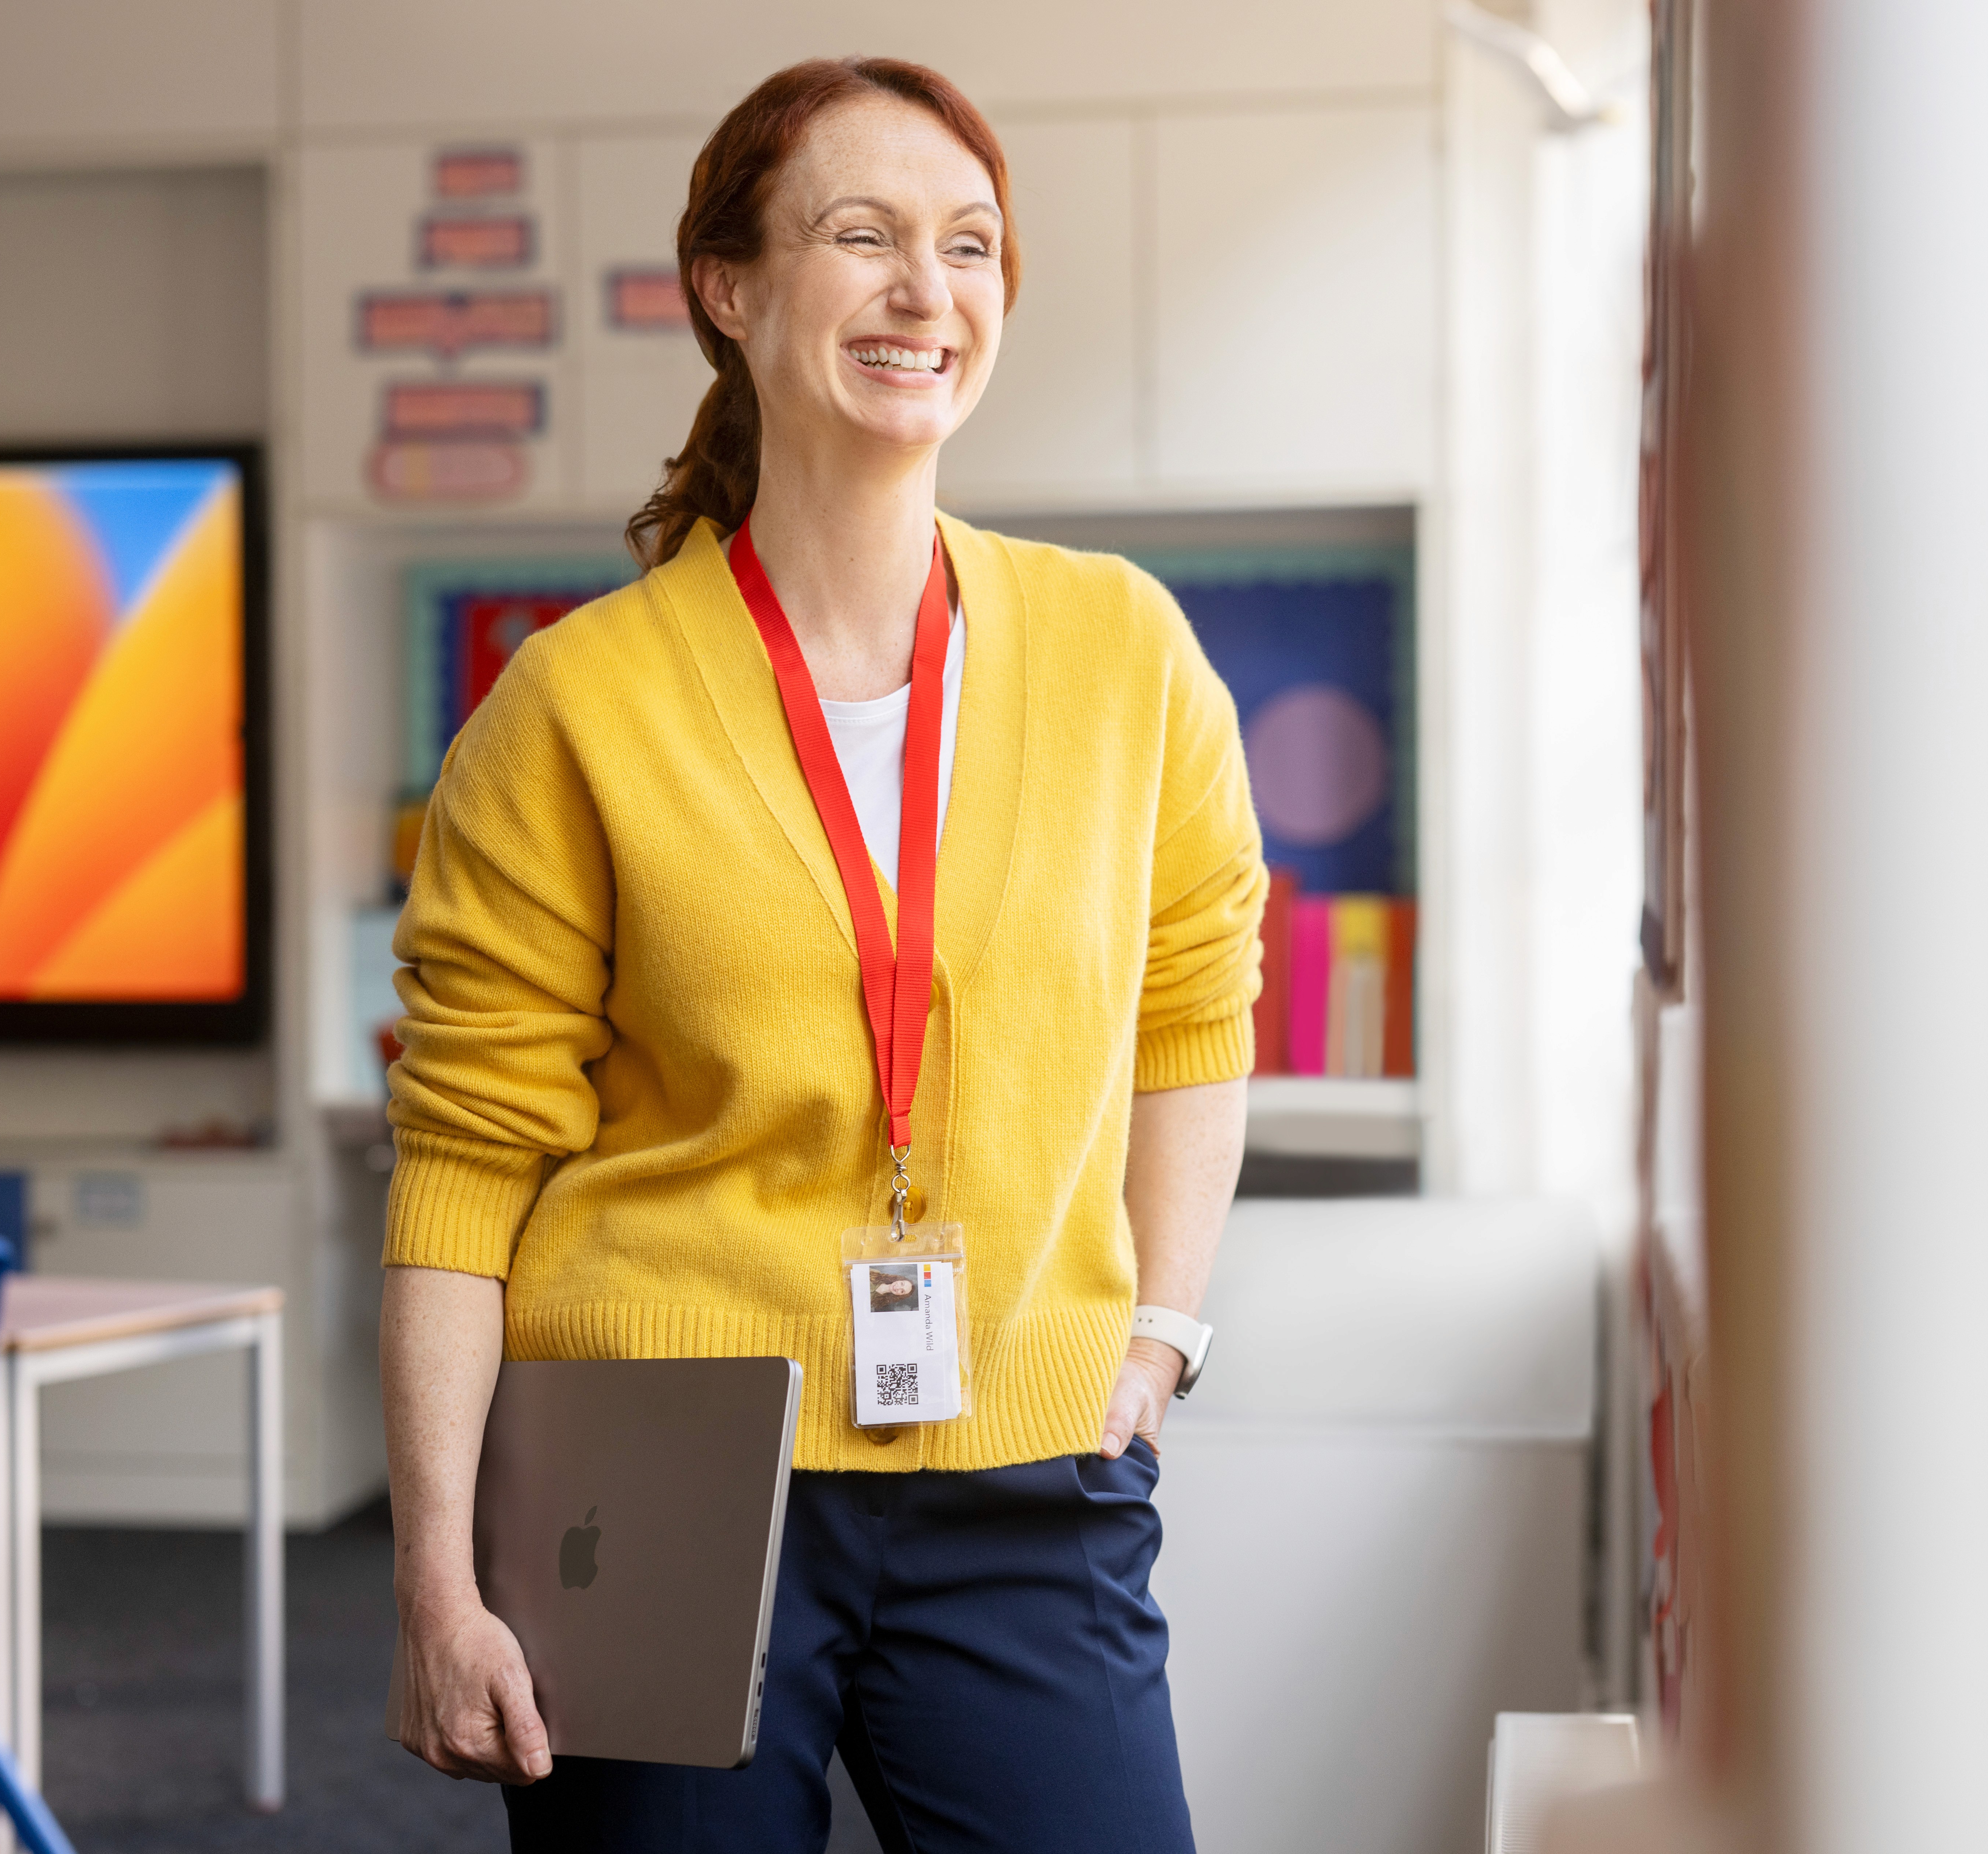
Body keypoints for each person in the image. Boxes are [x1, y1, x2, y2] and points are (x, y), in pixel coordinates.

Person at [382, 54, 1263, 1854]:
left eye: (969, 246)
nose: (926, 292)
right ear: (729, 285)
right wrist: (434, 1577)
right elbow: (468, 1167)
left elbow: (1195, 1011)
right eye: (862, 237)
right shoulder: (575, 704)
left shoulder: (1126, 653)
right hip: (657, 1463)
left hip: (1025, 1468)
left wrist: (1157, 1339)